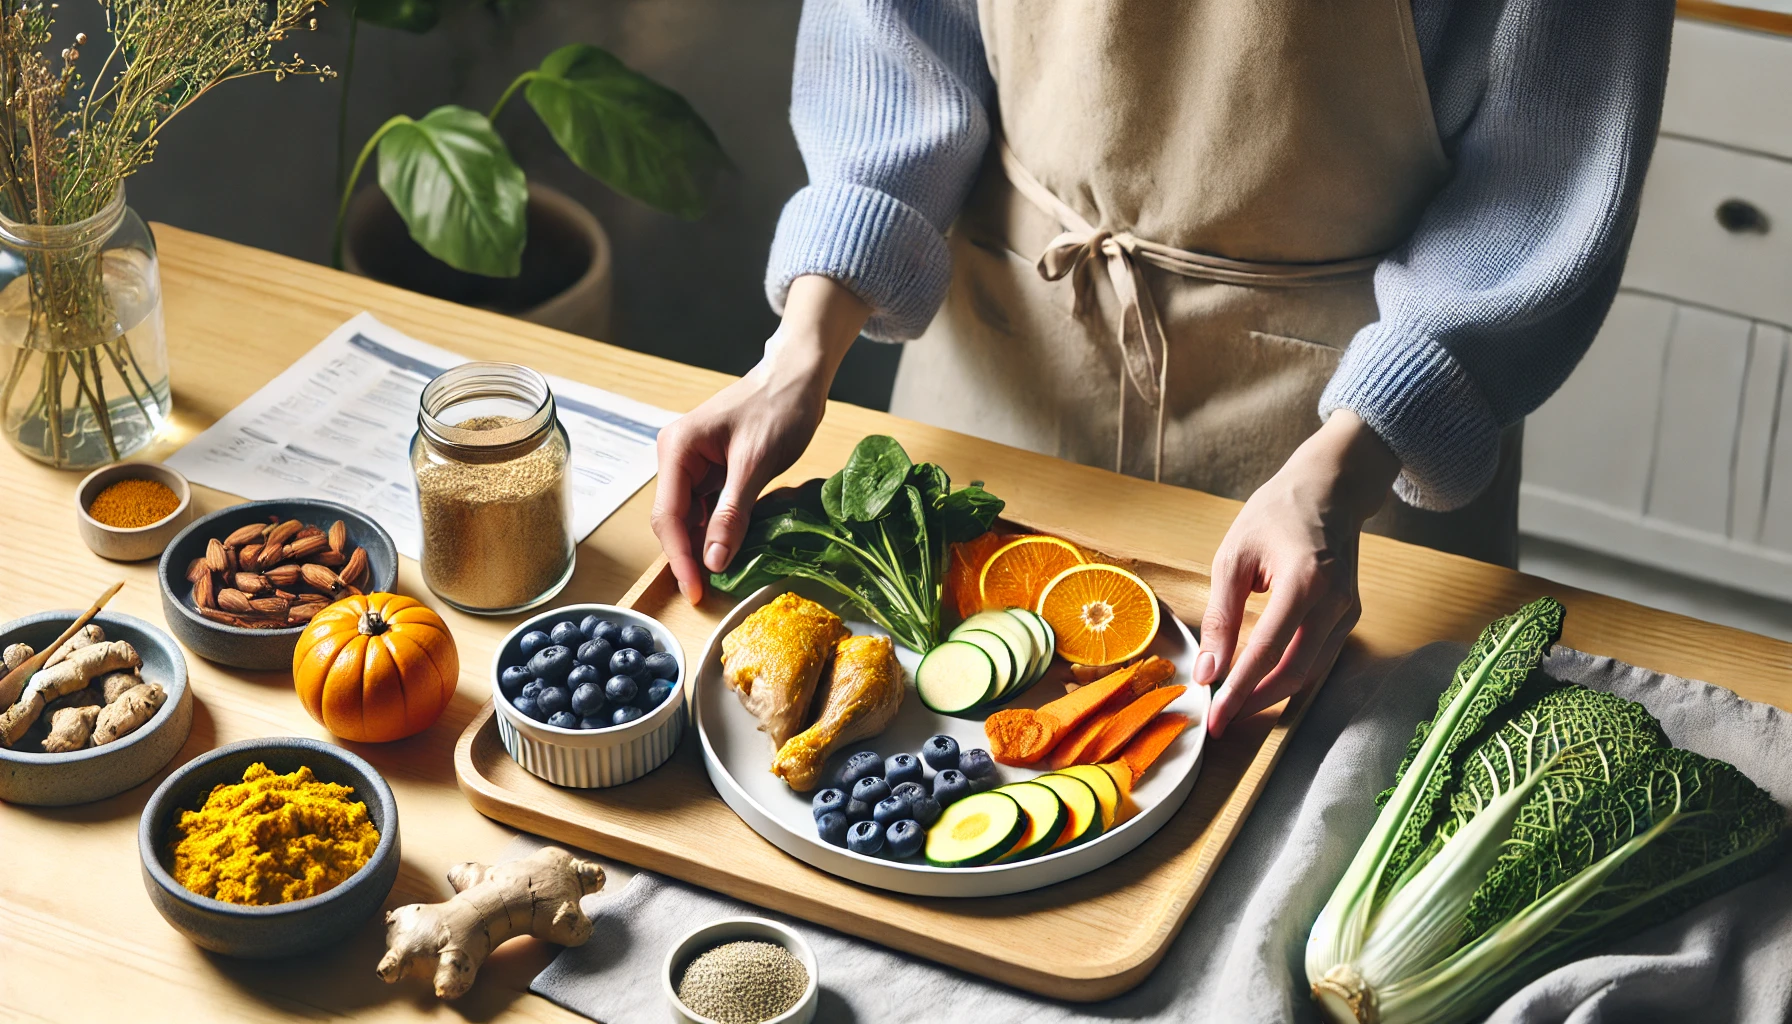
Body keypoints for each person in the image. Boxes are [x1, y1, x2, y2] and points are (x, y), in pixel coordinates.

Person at [652, 1, 1674, 738]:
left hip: (1352, 446)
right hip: (1009, 356)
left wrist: (1345, 472)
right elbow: (896, 33)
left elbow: (1538, 193)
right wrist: (798, 351)